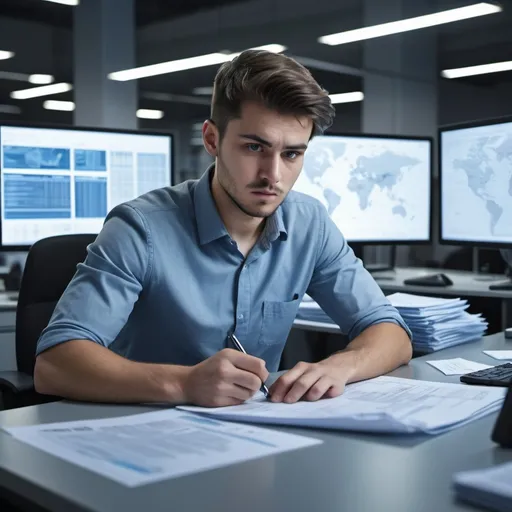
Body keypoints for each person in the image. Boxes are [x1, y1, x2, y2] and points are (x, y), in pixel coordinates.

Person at [34, 49, 412, 408]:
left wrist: (338, 367)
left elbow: (390, 332)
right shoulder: (140, 227)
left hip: (257, 434)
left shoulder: (309, 223)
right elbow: (55, 364)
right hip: (145, 431)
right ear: (212, 139)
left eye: (292, 154)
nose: (273, 175)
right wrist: (183, 384)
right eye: (254, 148)